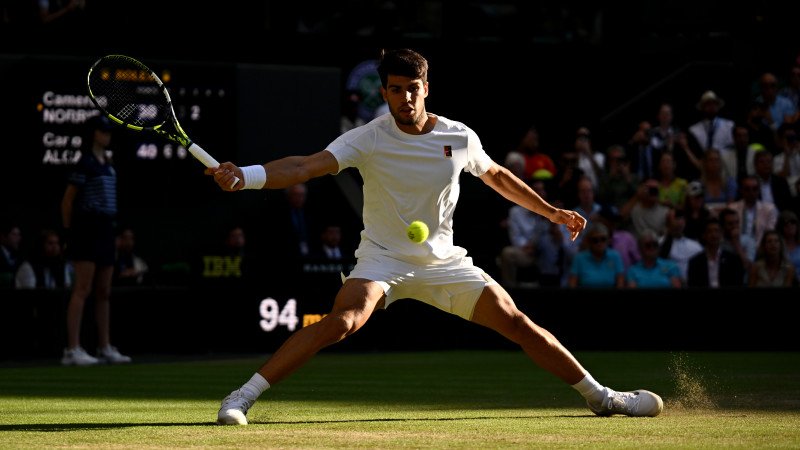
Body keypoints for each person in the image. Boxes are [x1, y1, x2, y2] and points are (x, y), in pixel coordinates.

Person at [205, 49, 663, 425]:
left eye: (413, 89)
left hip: (445, 262)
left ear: (427, 88)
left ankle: (602, 397)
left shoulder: (458, 136)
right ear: (384, 93)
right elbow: (305, 166)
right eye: (396, 90)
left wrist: (551, 212)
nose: (405, 98)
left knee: (518, 322)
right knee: (341, 322)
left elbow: (498, 176)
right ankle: (241, 397)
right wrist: (246, 176)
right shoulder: (367, 137)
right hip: (383, 259)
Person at [60, 115, 131, 366]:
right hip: (86, 229)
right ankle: (72, 349)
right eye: (103, 131)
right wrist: (69, 233)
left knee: (103, 291)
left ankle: (104, 346)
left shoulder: (109, 164)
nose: (107, 135)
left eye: (109, 131)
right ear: (93, 134)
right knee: (82, 288)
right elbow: (68, 201)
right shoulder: (84, 163)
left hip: (106, 230)